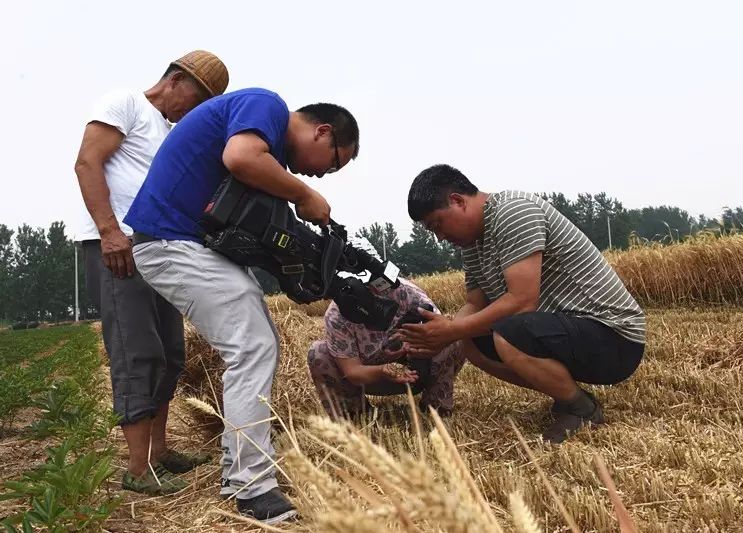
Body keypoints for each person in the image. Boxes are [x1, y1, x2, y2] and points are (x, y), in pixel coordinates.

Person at [123, 88, 359, 523]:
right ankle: (252, 487)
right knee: (251, 347)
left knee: (259, 342)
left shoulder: (272, 152)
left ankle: (240, 476)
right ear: (322, 131)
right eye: (334, 161)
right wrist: (303, 195)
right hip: (171, 241)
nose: (326, 174)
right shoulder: (265, 105)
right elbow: (241, 157)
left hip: (186, 243)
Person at [74, 50, 228, 495]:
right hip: (117, 247)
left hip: (157, 251)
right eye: (195, 99)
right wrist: (109, 232)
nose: (191, 111)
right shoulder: (125, 103)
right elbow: (87, 163)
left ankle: (159, 453)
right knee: (135, 350)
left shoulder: (171, 133)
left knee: (169, 354)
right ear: (176, 79)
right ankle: (138, 470)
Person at [401, 164, 646, 444]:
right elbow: (475, 302)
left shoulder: (513, 212)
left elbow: (522, 302)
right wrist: (446, 331)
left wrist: (451, 331)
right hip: (569, 331)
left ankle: (582, 410)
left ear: (457, 200)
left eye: (437, 225)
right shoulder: (473, 243)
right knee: (470, 341)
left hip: (614, 337)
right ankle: (567, 396)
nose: (440, 238)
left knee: (507, 335)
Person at [307, 238, 464, 418]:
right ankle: (355, 414)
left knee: (455, 334)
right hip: (370, 378)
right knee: (318, 352)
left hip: (416, 371)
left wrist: (413, 345)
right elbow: (353, 372)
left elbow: (439, 330)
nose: (373, 291)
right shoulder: (337, 315)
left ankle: (435, 407)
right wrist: (384, 370)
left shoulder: (405, 292)